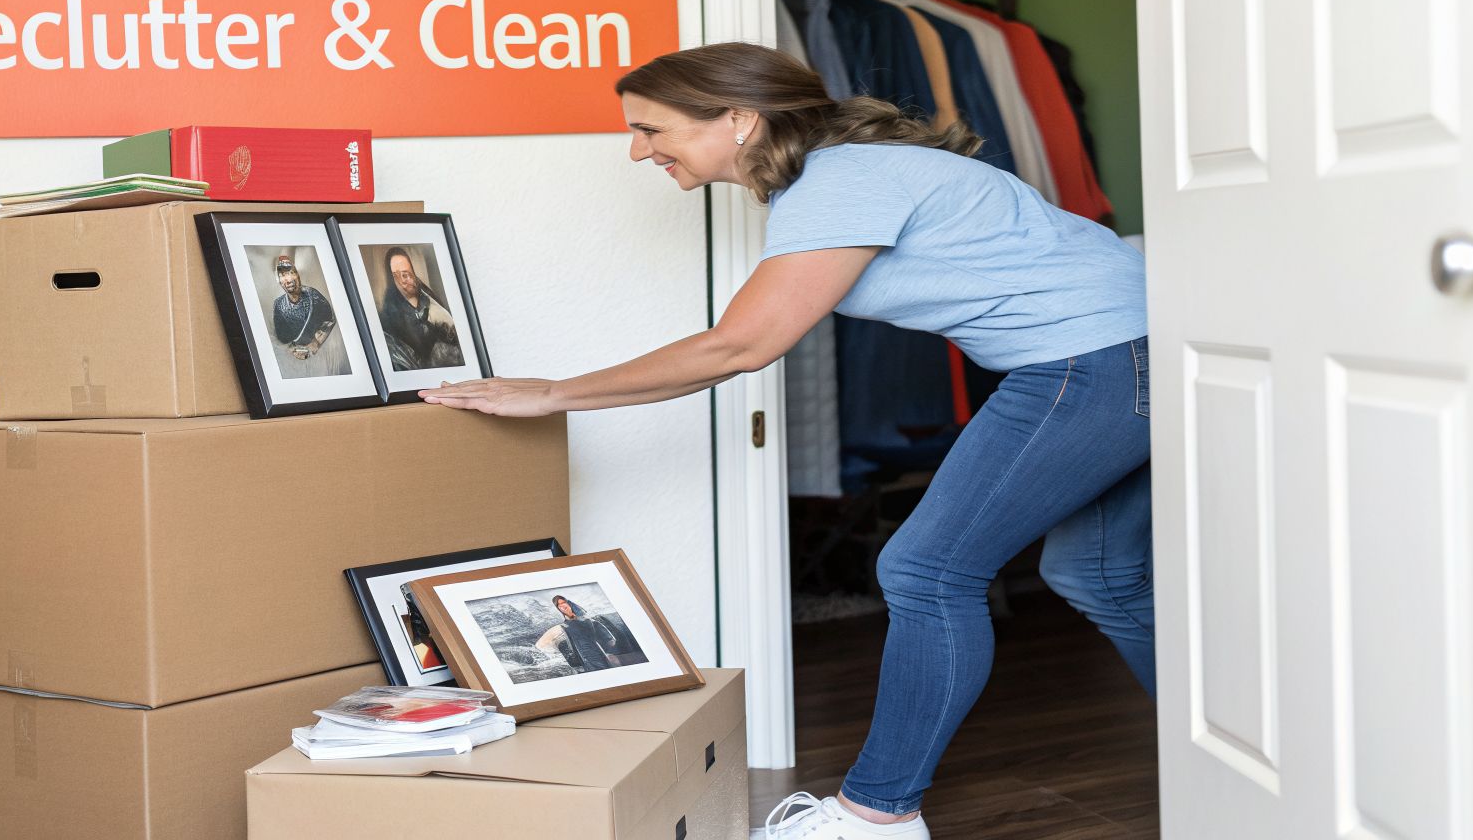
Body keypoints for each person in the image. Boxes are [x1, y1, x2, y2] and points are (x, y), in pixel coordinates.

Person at [420, 43, 1152, 840]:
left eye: (650, 128)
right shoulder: (841, 176)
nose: (637, 150)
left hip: (1090, 361)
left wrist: (555, 393)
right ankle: (1232, 753)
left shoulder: (841, 180)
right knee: (1101, 575)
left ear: (738, 119)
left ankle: (877, 815)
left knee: (925, 569)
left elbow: (739, 345)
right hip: (1132, 352)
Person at [376, 246, 463, 371]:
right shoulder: (389, 316)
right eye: (396, 276)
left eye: (406, 274)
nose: (403, 281)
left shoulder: (431, 301)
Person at [269, 253, 349, 377]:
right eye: (283, 275)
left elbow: (330, 318)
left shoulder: (313, 296)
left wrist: (316, 342)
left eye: (291, 273)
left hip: (319, 362)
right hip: (291, 366)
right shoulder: (278, 305)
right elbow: (280, 337)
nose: (288, 279)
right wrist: (290, 350)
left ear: (298, 275)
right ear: (279, 281)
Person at [537, 595, 622, 674]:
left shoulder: (586, 620)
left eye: (563, 603)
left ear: (568, 603)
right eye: (559, 606)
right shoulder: (566, 626)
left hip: (598, 654)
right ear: (558, 609)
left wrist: (608, 650)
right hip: (585, 659)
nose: (562, 606)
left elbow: (611, 641)